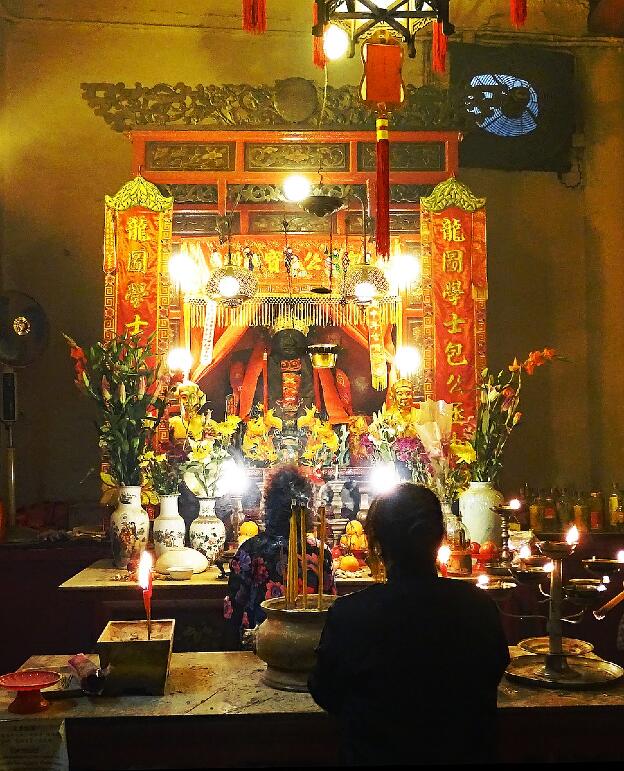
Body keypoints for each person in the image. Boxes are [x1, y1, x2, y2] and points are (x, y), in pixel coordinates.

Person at [308, 483, 510, 766]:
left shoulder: (352, 614)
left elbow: (325, 690)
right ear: (439, 538)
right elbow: (494, 671)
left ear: (376, 544)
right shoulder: (478, 606)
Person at [223, 464, 336, 648]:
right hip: (309, 644)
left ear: (269, 506)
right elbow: (331, 604)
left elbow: (233, 608)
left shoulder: (251, 549)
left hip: (262, 644)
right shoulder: (321, 551)